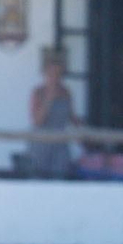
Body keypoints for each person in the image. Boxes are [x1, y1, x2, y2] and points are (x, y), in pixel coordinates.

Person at [28, 47, 78, 178]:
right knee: (39, 180)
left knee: (60, 179)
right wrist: (49, 100)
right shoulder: (37, 92)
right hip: (41, 144)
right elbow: (37, 121)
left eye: (58, 74)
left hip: (60, 144)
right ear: (45, 74)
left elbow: (72, 118)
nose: (55, 78)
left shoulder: (66, 92)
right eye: (52, 74)